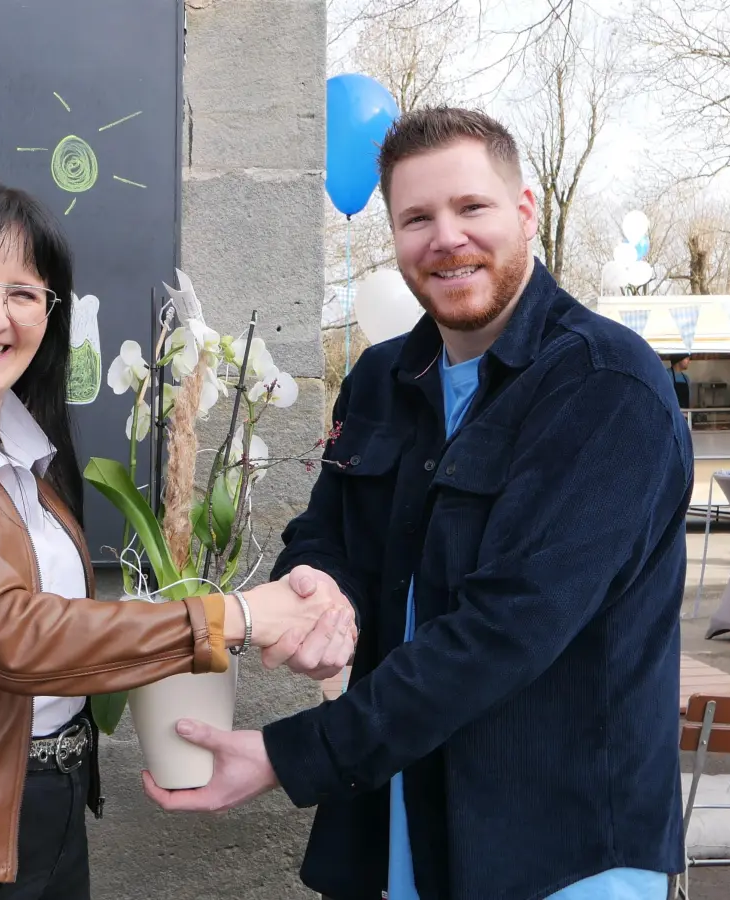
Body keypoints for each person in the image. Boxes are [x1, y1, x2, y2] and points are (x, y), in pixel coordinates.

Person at [145, 106, 693, 899]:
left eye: (471, 208)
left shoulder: (605, 388)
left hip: (557, 849)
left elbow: (506, 629)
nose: (447, 237)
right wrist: (320, 591)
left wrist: (289, 755)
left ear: (525, 212)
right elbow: (326, 532)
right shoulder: (382, 378)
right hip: (397, 823)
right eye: (417, 218)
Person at [0, 183, 351, 900]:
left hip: (45, 817)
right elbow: (5, 632)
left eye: (25, 294)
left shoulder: (31, 459)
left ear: (51, 315)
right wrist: (239, 617)